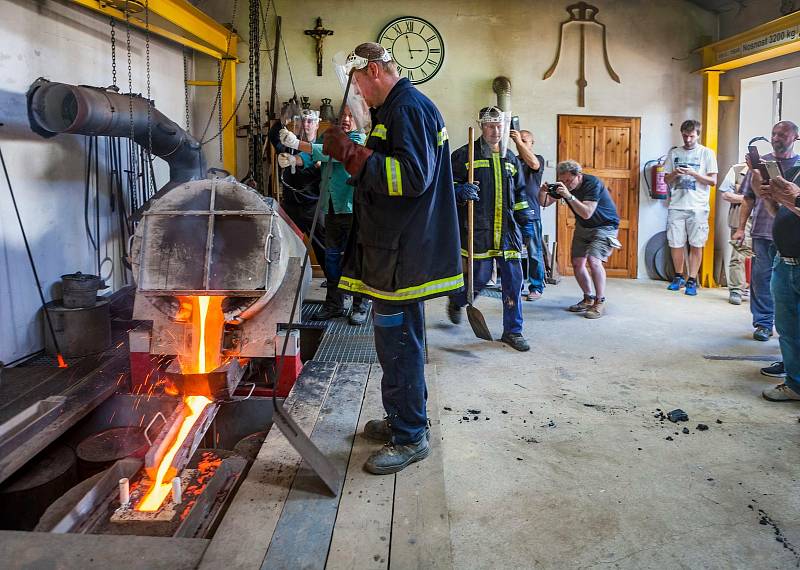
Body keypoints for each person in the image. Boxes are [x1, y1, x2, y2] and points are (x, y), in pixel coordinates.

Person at [322, 42, 463, 473]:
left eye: (359, 85)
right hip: (393, 252)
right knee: (396, 341)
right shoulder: (396, 109)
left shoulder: (408, 109)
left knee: (399, 342)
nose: (359, 94)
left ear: (374, 72)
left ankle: (411, 436)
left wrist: (351, 152)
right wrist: (358, 150)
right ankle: (404, 417)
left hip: (403, 254)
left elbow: (411, 178)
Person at [446, 106, 532, 352]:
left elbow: (521, 192)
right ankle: (458, 300)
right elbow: (446, 188)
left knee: (514, 281)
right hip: (478, 229)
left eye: (499, 126)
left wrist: (525, 218)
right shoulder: (464, 155)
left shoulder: (511, 159)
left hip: (507, 231)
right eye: (490, 125)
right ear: (481, 126)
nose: (496, 130)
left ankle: (513, 331)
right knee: (480, 278)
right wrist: (460, 191)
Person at [279, 107, 370, 325]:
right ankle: (334, 304)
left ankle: (360, 304)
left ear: (360, 119)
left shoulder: (359, 139)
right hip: (330, 207)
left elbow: (337, 153)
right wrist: (294, 160)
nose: (346, 120)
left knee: (354, 259)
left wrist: (297, 143)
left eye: (351, 116)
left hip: (351, 208)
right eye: (343, 116)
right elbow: (312, 155)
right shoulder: (330, 136)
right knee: (331, 258)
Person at [734, 121, 800, 341]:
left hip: (791, 239)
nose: (776, 138)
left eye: (782, 134)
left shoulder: (798, 167)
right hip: (763, 231)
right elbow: (747, 198)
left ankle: (788, 334)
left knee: (784, 287)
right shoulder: (760, 165)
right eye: (774, 133)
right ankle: (762, 323)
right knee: (761, 280)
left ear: (795, 138)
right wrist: (740, 228)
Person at [540, 160, 620, 319]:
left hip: (605, 226)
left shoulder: (592, 183)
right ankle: (588, 298)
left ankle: (599, 301)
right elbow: (544, 202)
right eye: (562, 180)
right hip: (584, 227)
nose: (566, 184)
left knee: (594, 260)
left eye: (569, 181)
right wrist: (543, 191)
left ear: (579, 176)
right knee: (577, 263)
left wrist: (568, 195)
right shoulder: (562, 185)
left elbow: (587, 213)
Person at [748, 165, 800, 402]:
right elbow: (779, 212)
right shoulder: (795, 171)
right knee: (787, 330)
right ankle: (794, 384)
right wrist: (769, 200)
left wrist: (795, 199)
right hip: (784, 262)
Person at [663, 119, 718, 296]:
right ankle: (678, 276)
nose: (688, 140)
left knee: (696, 243)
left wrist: (694, 173)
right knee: (675, 243)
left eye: (691, 136)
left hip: (698, 207)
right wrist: (674, 173)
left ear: (698, 135)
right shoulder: (674, 153)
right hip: (677, 205)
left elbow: (712, 181)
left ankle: (692, 280)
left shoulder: (707, 153)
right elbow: (665, 180)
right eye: (685, 136)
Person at [269, 109, 326, 265]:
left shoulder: (321, 146)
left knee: (323, 247)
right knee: (286, 247)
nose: (305, 125)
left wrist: (294, 160)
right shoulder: (289, 145)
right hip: (291, 207)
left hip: (314, 206)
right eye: (301, 121)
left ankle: (333, 283)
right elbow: (274, 136)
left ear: (317, 124)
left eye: (309, 121)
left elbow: (309, 156)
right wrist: (282, 119)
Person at [511, 128, 546, 301]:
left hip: (531, 213)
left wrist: (518, 142)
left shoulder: (537, 159)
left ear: (532, 143)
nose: (522, 142)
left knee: (533, 252)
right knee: (512, 253)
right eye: (519, 139)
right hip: (512, 213)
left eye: (526, 140)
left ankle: (536, 287)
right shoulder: (511, 160)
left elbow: (533, 164)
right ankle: (515, 286)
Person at [718, 162, 749, 305]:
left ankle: (758, 291)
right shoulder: (737, 170)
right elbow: (726, 194)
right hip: (739, 218)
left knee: (764, 257)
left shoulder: (770, 169)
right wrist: (749, 199)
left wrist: (740, 195)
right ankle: (736, 289)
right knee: (738, 255)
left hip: (763, 219)